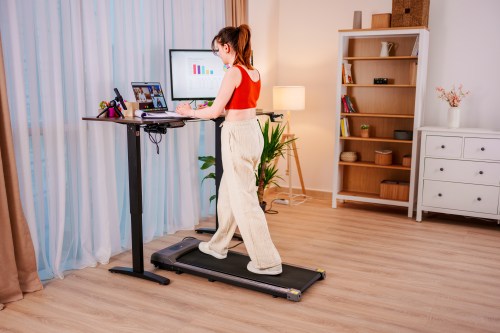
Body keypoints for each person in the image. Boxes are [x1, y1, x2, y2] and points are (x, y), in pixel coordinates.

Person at [176, 24, 282, 275]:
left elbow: (215, 112)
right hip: (252, 132)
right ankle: (218, 245)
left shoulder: (233, 72)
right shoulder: (253, 72)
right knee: (228, 193)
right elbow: (231, 108)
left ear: (227, 47)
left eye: (218, 51)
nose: (218, 56)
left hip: (236, 136)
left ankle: (267, 261)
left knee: (244, 200)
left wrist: (188, 111)